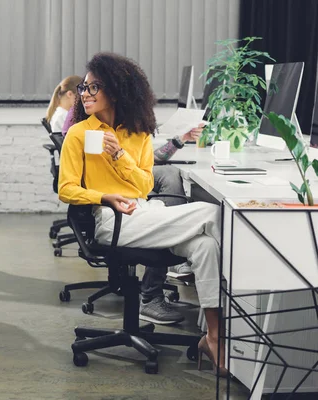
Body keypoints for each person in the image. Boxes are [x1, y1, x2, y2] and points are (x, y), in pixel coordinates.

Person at [58, 52, 225, 376]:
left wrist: (119, 154)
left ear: (117, 91)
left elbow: (146, 183)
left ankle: (214, 337)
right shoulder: (78, 134)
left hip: (144, 211)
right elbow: (66, 189)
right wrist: (104, 196)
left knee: (207, 247)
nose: (86, 94)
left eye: (95, 87)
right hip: (110, 220)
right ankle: (199, 286)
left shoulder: (138, 134)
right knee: (212, 214)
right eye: (84, 88)